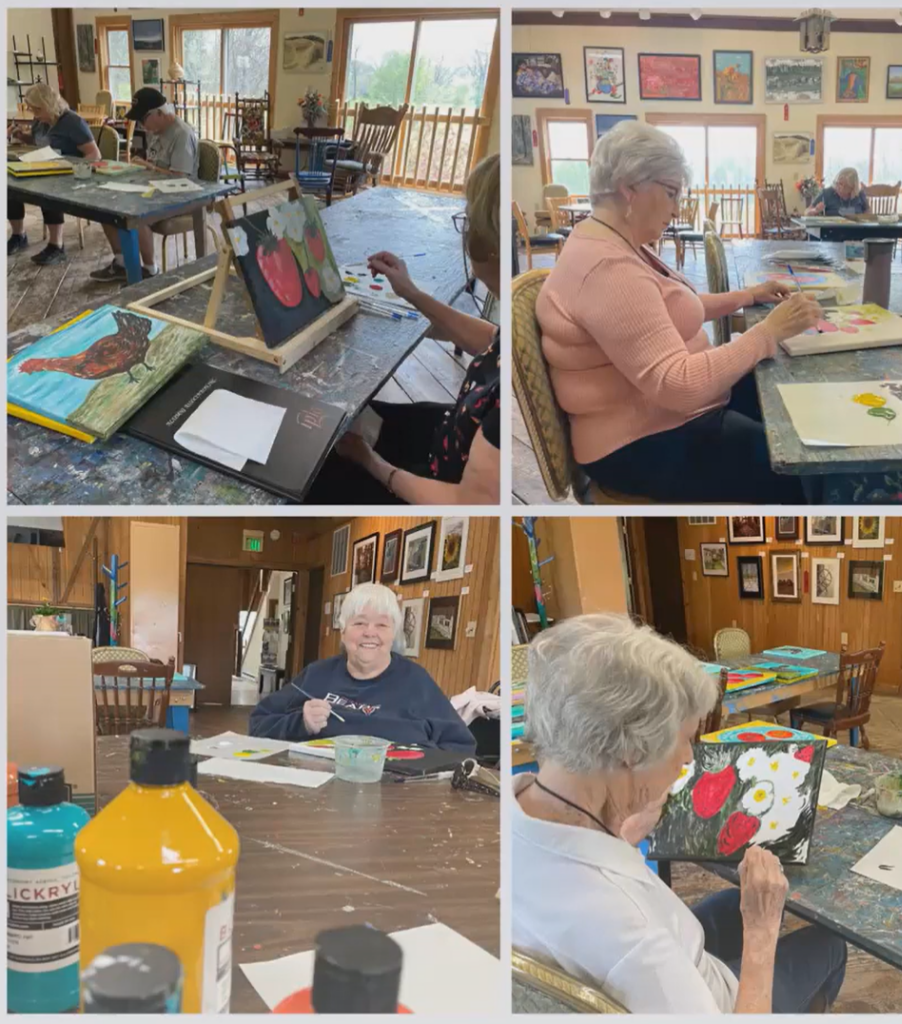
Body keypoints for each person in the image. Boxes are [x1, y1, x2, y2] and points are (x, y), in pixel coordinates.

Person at [513, 614, 847, 1014]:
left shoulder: (515, 809)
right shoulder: (630, 936)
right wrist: (761, 934)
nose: (690, 759)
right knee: (830, 945)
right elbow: (634, 944)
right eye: (686, 740)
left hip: (669, 956)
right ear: (633, 751)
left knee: (729, 901)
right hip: (725, 1002)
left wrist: (622, 827)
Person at [535, 121, 820, 502]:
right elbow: (679, 385)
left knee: (787, 400)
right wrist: (766, 334)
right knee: (796, 467)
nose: (676, 207)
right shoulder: (608, 269)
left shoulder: (614, 241)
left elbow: (662, 315)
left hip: (661, 416)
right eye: (670, 193)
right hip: (639, 441)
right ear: (629, 186)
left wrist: (748, 297)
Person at [306, 153, 500, 505]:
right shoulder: (526, 324)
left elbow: (469, 502)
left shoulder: (508, 401)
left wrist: (371, 462)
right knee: (349, 418)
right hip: (453, 437)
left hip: (438, 481)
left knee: (313, 476)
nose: (466, 230)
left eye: (469, 220)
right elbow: (490, 339)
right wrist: (410, 294)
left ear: (488, 242)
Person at [249, 582, 476, 751]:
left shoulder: (417, 681)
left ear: (394, 633)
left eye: (381, 624)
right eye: (359, 623)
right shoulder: (316, 675)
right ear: (343, 629)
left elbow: (461, 747)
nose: (370, 632)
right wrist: (301, 724)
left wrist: (414, 764)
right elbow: (258, 724)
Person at [90, 87, 198, 282]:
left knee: (134, 214)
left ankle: (150, 270)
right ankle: (122, 263)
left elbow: (180, 178)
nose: (142, 125)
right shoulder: (155, 131)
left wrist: (148, 167)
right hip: (154, 190)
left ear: (160, 113)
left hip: (181, 196)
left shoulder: (181, 134)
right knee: (106, 209)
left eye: (144, 119)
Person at [8, 83, 100, 265]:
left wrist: (71, 168)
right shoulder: (41, 121)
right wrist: (22, 136)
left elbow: (94, 155)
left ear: (48, 104)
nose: (32, 112)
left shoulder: (72, 122)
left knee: (47, 190)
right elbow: (38, 142)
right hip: (44, 166)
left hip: (69, 174)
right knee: (10, 185)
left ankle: (56, 245)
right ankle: (19, 235)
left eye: (36, 108)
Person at [805, 168, 869, 216]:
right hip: (831, 231)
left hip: (855, 231)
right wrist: (815, 210)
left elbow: (868, 211)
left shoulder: (859, 194)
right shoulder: (827, 193)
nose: (840, 188)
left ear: (853, 187)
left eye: (845, 186)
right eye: (839, 183)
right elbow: (807, 212)